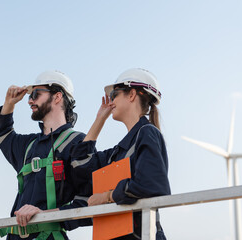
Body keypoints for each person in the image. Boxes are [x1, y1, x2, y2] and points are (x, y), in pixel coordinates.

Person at [70, 68, 171, 239]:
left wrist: (107, 196)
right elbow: (80, 163)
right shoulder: (119, 151)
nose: (110, 101)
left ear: (131, 94)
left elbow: (152, 185)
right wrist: (100, 119)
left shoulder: (147, 133)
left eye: (114, 95)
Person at [0, 70, 91, 240]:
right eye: (30, 95)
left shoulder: (78, 143)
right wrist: (9, 103)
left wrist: (45, 215)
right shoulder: (29, 145)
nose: (30, 100)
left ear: (57, 96)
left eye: (36, 94)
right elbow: (2, 135)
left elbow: (88, 202)